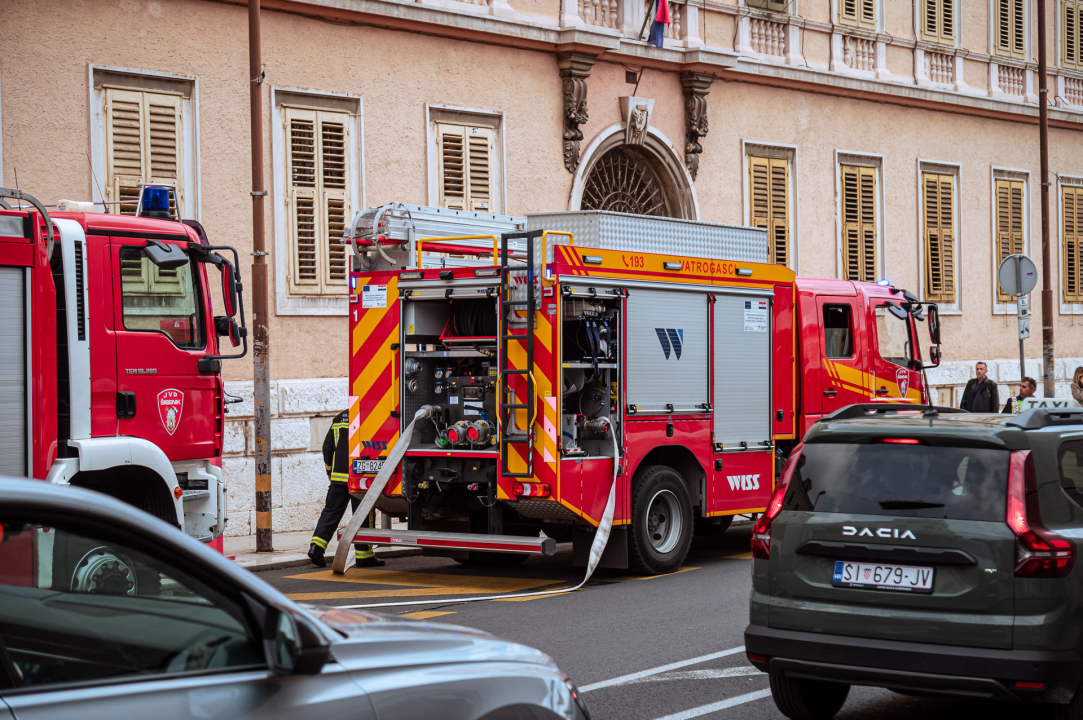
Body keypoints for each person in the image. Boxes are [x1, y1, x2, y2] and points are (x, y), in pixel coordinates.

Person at [308, 409, 383, 569]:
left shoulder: (339, 418)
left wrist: (330, 471)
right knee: (362, 515)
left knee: (331, 511)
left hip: (338, 477)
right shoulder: (371, 414)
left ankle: (316, 547)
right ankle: (364, 556)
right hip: (360, 476)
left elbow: (328, 447)